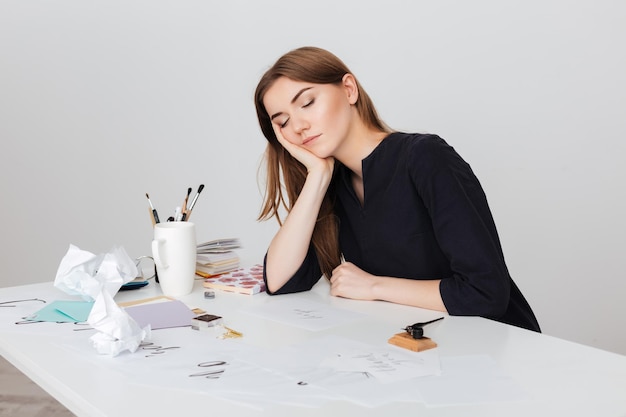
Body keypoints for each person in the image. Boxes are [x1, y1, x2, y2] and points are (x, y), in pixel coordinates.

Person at [254, 46, 540, 332]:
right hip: (425, 350)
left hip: (498, 345)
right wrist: (317, 175)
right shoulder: (334, 186)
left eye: (307, 103)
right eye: (283, 122)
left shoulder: (425, 157)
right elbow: (280, 281)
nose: (300, 126)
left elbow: (486, 293)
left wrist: (375, 286)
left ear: (349, 89)